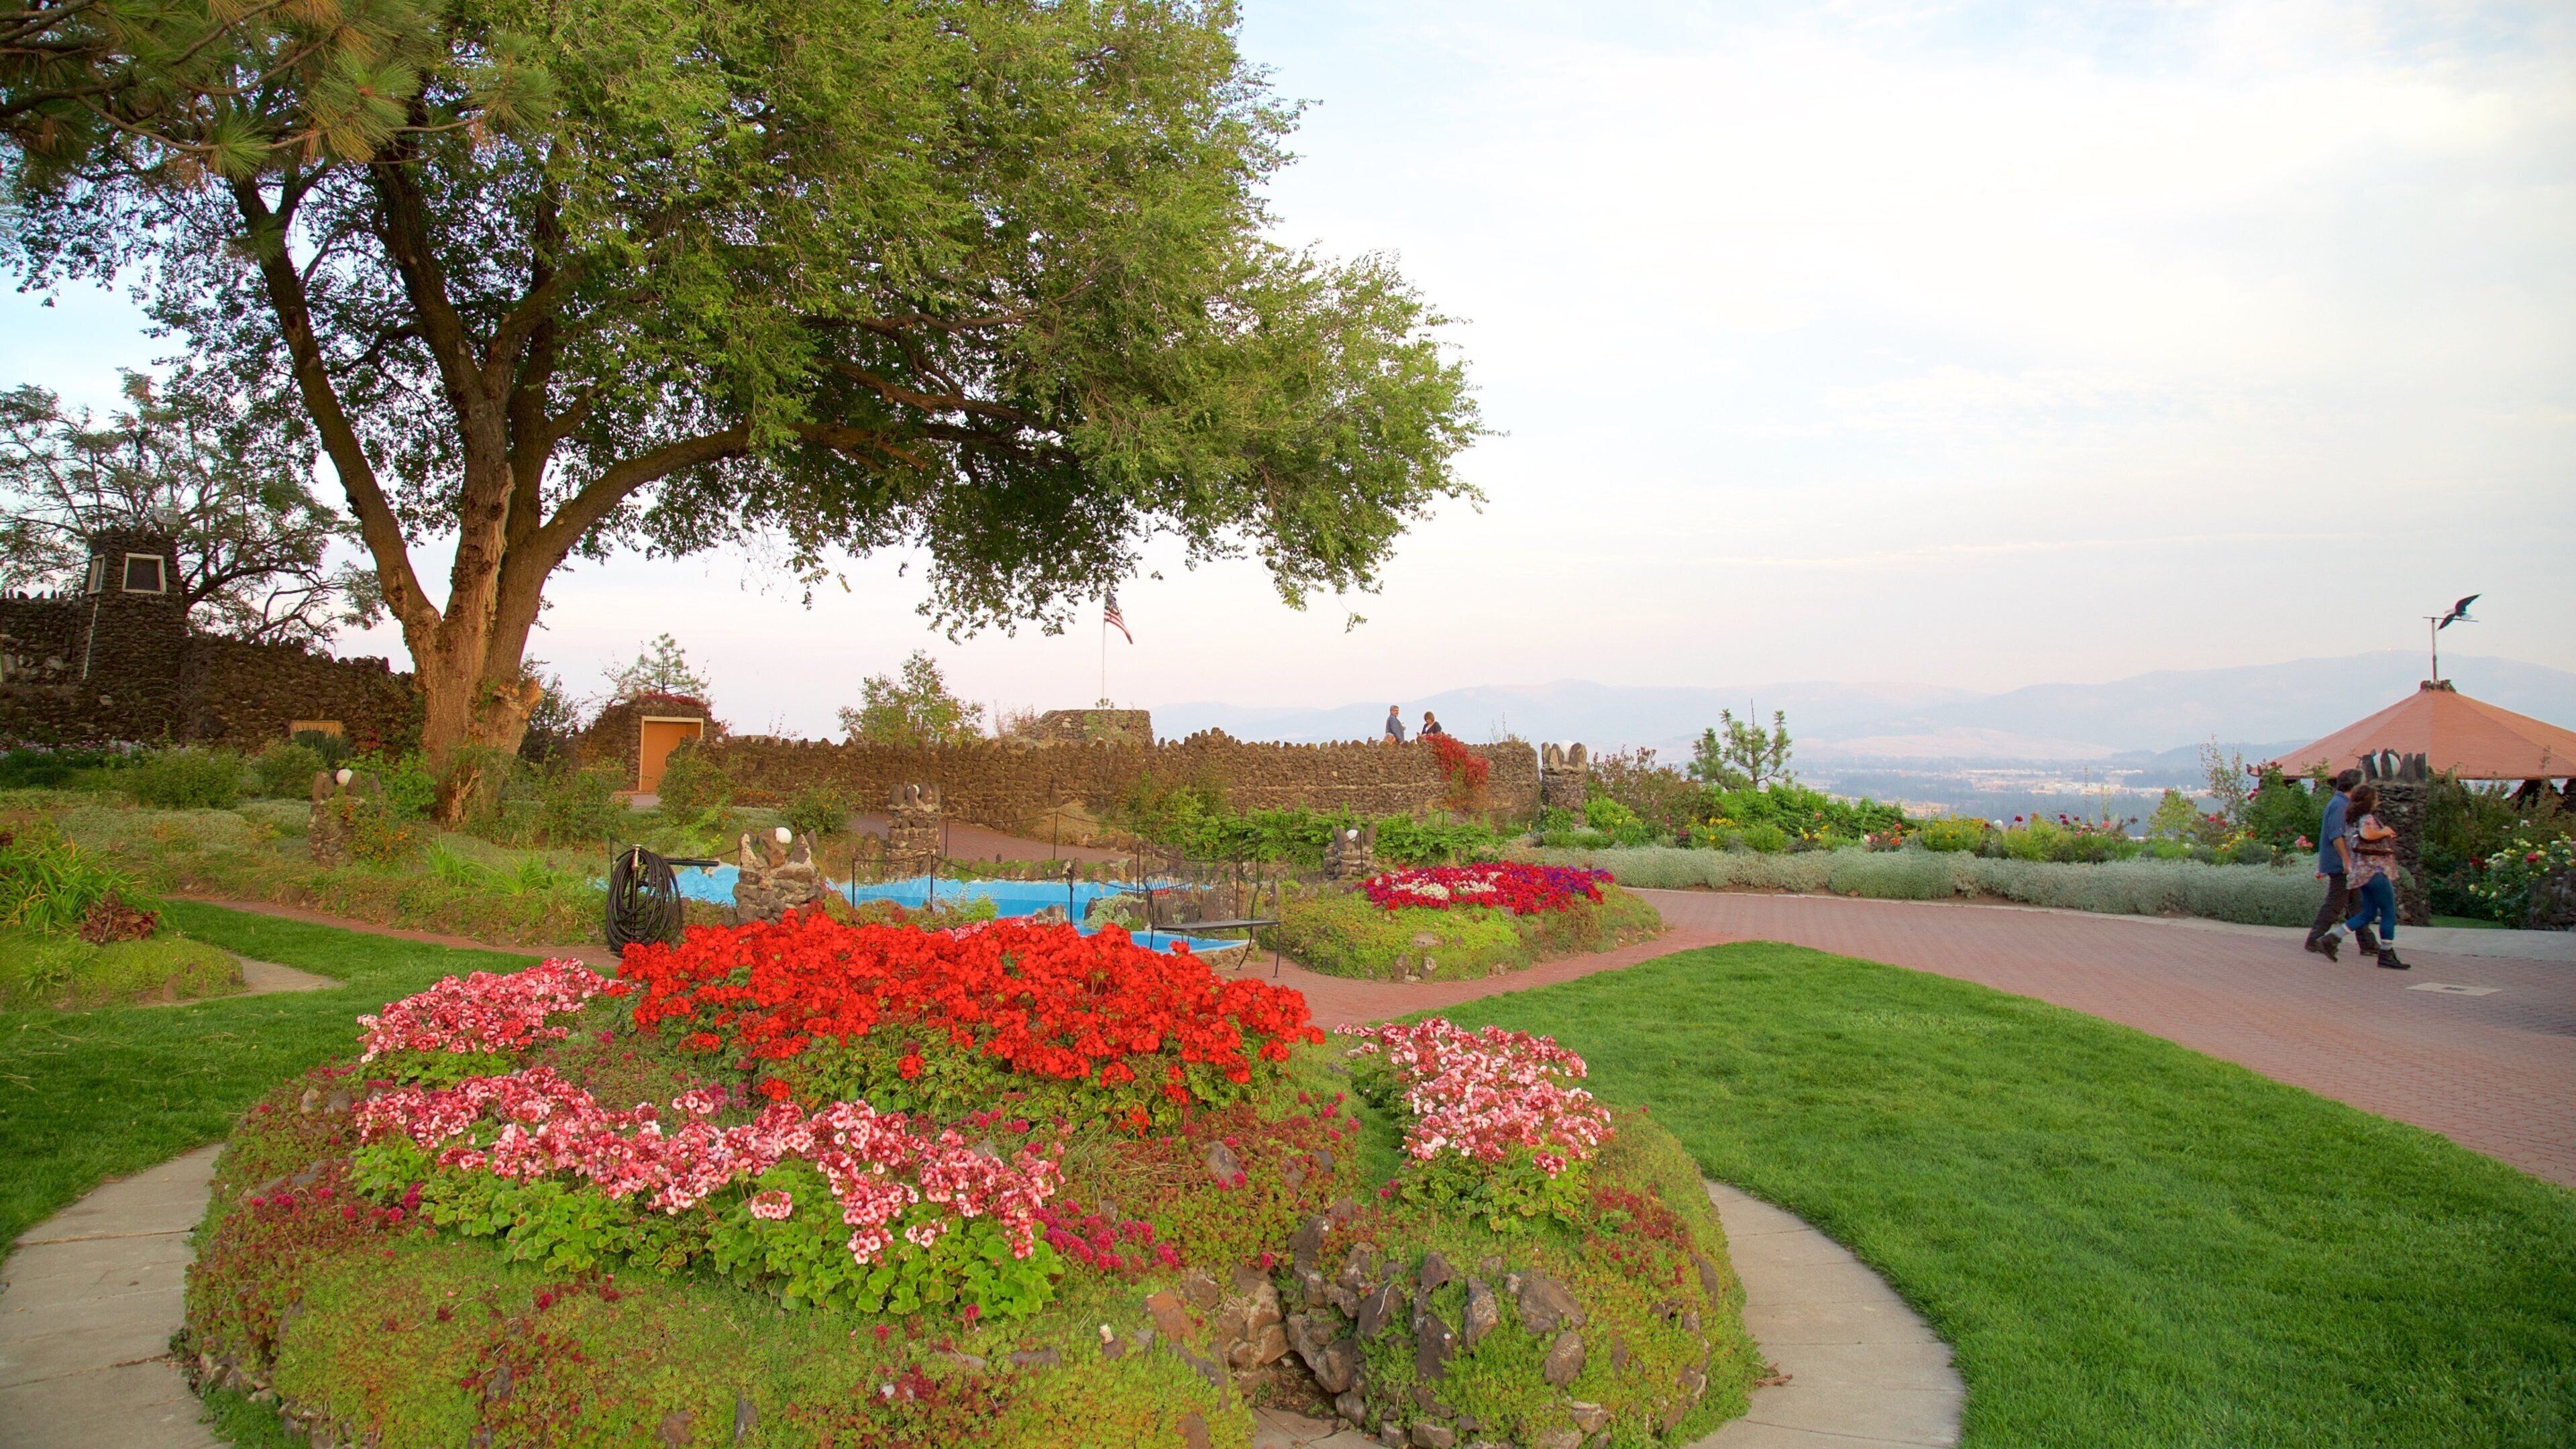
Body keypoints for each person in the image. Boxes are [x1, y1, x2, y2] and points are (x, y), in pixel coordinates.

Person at [2339, 786, 2409, 969]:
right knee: (2388, 912)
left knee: (2368, 913)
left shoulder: (2352, 820)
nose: (2378, 801)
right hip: (2375, 871)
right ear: (2370, 801)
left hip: (2362, 872)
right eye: (2376, 799)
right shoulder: (2367, 819)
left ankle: (2332, 938)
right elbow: (2367, 834)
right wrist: (2385, 831)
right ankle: (2387, 953)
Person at [2303, 768, 2365, 961]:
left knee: (2358, 905)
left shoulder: (2341, 803)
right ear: (2354, 787)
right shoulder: (2339, 806)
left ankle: (2368, 943)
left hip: (2344, 863)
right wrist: (2347, 861)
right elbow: (2337, 836)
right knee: (2336, 903)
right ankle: (2314, 939)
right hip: (2341, 865)